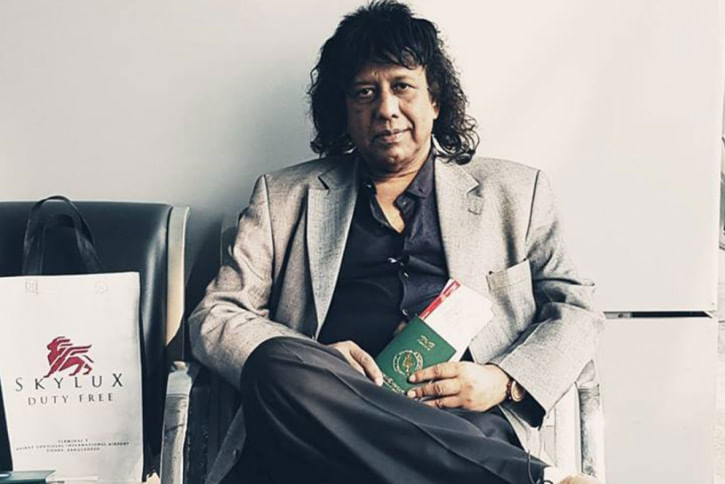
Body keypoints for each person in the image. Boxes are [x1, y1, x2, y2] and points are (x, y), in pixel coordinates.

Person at [189, 2, 604, 483]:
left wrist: (503, 381)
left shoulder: (515, 192)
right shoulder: (283, 196)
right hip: (321, 425)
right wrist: (321, 363)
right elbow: (215, 315)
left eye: (402, 86)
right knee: (274, 359)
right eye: (365, 93)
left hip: (464, 424)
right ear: (344, 111)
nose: (386, 109)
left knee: (462, 440)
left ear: (435, 100)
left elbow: (576, 309)